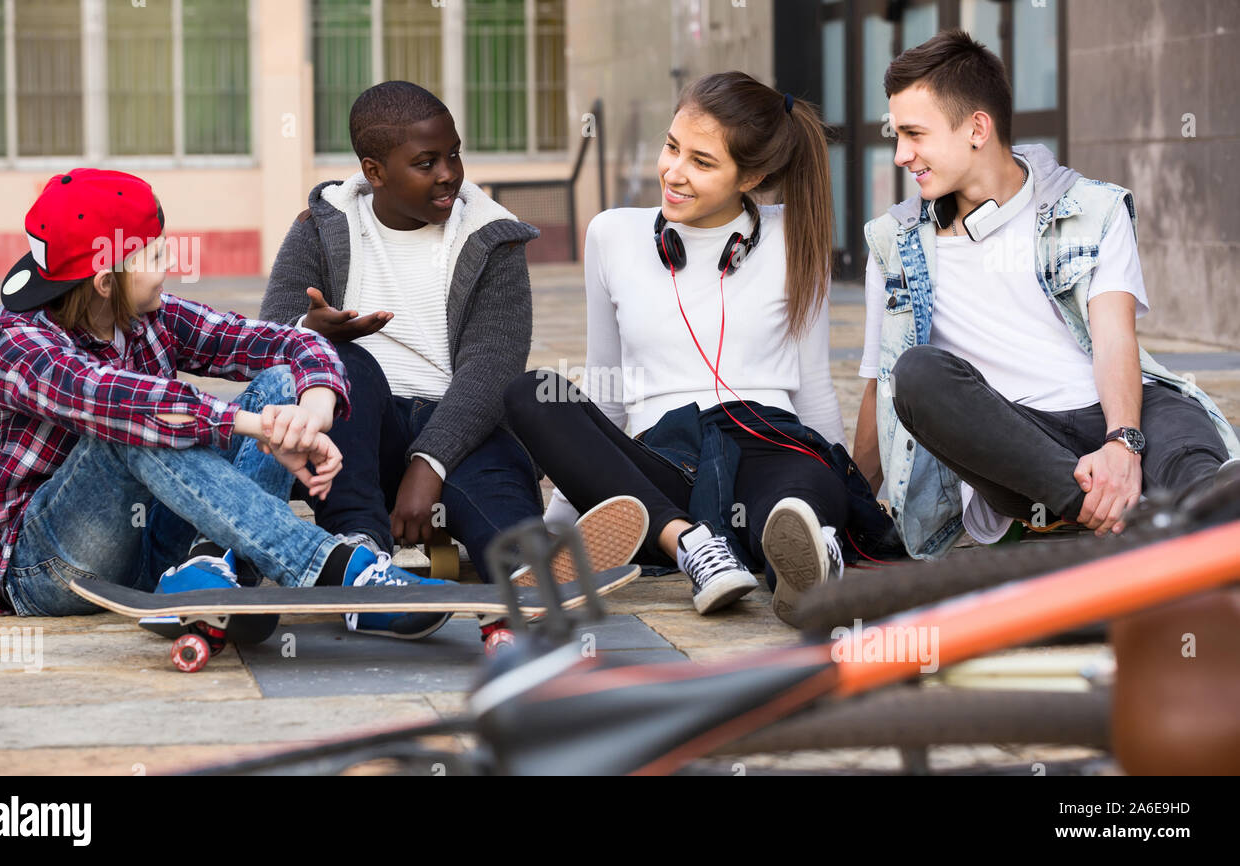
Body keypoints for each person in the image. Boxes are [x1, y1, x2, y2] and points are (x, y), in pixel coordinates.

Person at [0, 168, 460, 641]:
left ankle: (209, 567)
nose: (168, 268)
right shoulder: (14, 343)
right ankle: (336, 571)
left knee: (280, 384)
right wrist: (254, 428)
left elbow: (289, 344)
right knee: (135, 424)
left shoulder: (150, 316)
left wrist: (312, 412)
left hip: (152, 543)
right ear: (105, 282)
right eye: (155, 258)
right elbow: (122, 403)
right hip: (43, 568)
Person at [505, 72, 902, 625]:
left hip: (772, 443)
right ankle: (694, 547)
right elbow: (606, 393)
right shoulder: (612, 235)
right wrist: (567, 509)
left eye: (702, 162)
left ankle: (809, 556)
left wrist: (851, 491)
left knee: (799, 496)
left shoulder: (796, 236)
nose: (674, 172)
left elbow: (811, 389)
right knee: (531, 394)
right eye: (672, 148)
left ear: (753, 175)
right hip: (663, 465)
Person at [259, 82, 647, 647]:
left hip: (459, 428)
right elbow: (269, 339)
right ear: (375, 171)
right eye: (425, 162)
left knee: (494, 485)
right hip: (361, 434)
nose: (448, 173)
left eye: (453, 154)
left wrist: (431, 463)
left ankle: (527, 576)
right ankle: (359, 559)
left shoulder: (493, 239)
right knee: (349, 367)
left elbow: (492, 368)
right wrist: (307, 331)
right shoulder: (320, 227)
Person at [853, 29, 1240, 560]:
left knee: (1190, 445)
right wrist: (850, 503)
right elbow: (882, 386)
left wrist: (1123, 442)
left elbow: (1113, 341)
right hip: (1021, 447)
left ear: (977, 129)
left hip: (1120, 410)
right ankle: (1124, 516)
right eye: (897, 135)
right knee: (918, 375)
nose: (901, 155)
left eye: (914, 134)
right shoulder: (892, 244)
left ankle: (1199, 521)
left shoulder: (1090, 209)